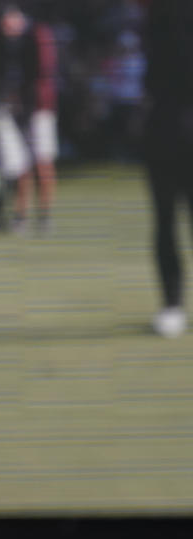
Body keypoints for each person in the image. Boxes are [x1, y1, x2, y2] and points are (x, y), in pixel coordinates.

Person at [0, 5, 59, 234]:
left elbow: (43, 71)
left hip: (37, 107)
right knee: (19, 163)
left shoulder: (37, 35)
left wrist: (20, 94)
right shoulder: (4, 42)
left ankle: (44, 216)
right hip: (15, 109)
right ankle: (20, 215)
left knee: (42, 160)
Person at [144, 0, 193, 337]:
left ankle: (172, 305)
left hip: (170, 125)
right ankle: (172, 303)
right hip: (165, 128)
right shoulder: (159, 15)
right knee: (165, 219)